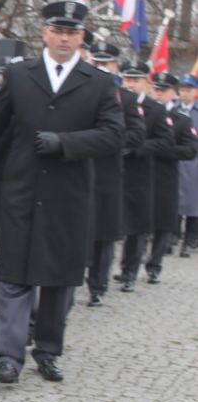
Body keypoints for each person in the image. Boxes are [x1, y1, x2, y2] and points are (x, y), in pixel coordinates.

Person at [0, 1, 124, 384]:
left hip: (69, 195)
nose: (64, 38)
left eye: (71, 32)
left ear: (81, 37)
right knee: (13, 274)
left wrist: (66, 143)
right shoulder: (20, 74)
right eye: (57, 31)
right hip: (22, 190)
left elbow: (114, 135)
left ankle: (47, 350)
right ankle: (8, 357)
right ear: (44, 33)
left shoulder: (98, 81)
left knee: (59, 279)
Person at [84, 40, 145, 307]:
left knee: (103, 233)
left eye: (105, 64)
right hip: (78, 168)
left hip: (107, 172)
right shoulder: (79, 91)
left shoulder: (126, 98)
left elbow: (137, 134)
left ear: (115, 67)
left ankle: (97, 286)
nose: (100, 67)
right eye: (96, 62)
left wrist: (108, 142)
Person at [117, 60, 174, 293]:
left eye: (135, 80)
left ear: (145, 83)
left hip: (138, 174)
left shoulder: (156, 109)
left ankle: (129, 272)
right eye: (127, 79)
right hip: (112, 171)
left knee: (135, 226)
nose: (130, 84)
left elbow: (165, 141)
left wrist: (137, 149)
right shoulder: (112, 102)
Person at [144, 73, 198, 282]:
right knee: (138, 222)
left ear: (172, 94)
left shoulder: (181, 119)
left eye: (163, 91)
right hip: (142, 173)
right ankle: (130, 266)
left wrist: (163, 150)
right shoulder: (142, 112)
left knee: (165, 221)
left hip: (167, 175)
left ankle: (155, 264)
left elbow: (190, 149)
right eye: (156, 90)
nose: (158, 94)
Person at [178, 75, 198, 257]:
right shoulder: (173, 110)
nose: (184, 94)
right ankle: (171, 236)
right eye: (182, 90)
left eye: (188, 90)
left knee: (194, 204)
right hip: (176, 160)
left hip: (195, 163)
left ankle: (189, 240)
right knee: (173, 200)